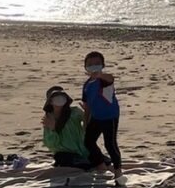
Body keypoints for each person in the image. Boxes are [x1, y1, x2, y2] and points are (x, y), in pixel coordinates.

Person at [41, 86, 107, 171]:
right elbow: (51, 144)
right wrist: (54, 129)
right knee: (81, 164)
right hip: (66, 153)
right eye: (56, 97)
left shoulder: (74, 112)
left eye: (62, 96)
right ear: (50, 101)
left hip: (83, 150)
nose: (59, 99)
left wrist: (88, 112)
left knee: (105, 161)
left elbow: (89, 126)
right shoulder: (49, 118)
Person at [81, 51, 122, 180]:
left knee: (110, 144)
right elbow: (87, 106)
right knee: (88, 142)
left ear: (103, 65)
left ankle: (118, 171)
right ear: (85, 67)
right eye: (90, 64)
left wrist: (100, 75)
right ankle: (101, 165)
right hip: (96, 117)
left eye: (97, 64)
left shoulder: (104, 80)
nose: (93, 66)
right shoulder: (87, 85)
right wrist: (85, 122)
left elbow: (110, 78)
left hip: (110, 117)